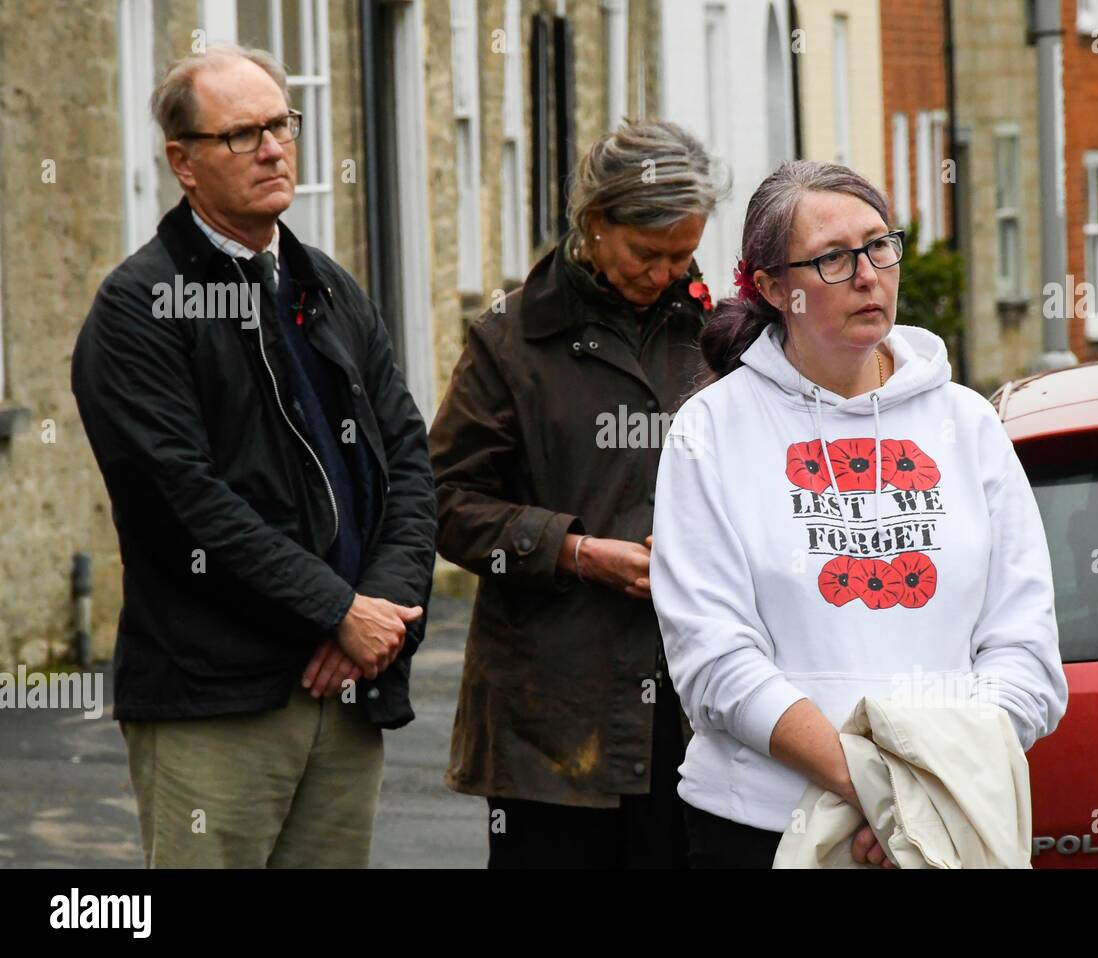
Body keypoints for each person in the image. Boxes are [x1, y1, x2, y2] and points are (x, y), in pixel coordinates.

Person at [71, 45, 437, 868]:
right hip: (216, 702)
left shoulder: (327, 288)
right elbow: (183, 503)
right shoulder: (139, 309)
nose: (273, 148)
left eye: (281, 124)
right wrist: (334, 610)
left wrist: (376, 614)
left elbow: (408, 459)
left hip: (345, 692)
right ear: (184, 163)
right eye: (242, 134)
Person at [649, 160, 1068, 868]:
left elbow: (1024, 653)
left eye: (879, 246)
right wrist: (880, 791)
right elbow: (714, 659)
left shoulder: (968, 425)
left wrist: (929, 790)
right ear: (774, 287)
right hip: (760, 830)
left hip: (947, 826)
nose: (869, 274)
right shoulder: (710, 431)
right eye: (834, 258)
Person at [429, 120, 730, 868]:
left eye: (683, 256)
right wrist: (572, 551)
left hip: (693, 699)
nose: (664, 274)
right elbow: (444, 500)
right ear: (595, 222)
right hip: (552, 716)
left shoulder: (714, 336)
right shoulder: (509, 341)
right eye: (646, 253)